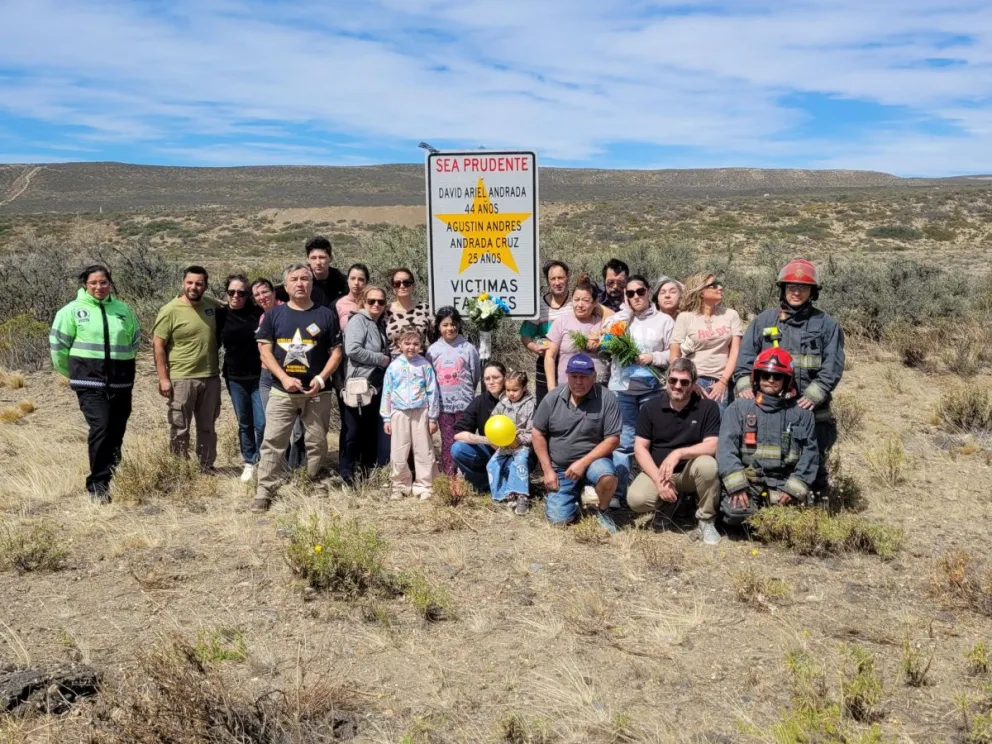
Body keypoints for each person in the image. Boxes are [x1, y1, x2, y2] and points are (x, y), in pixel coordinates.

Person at [733, 259, 845, 495]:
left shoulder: (826, 325)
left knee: (813, 460)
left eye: (803, 288)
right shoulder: (764, 321)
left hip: (810, 408)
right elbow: (745, 358)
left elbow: (832, 365)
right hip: (768, 408)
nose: (796, 292)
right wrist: (745, 387)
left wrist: (815, 395)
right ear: (782, 289)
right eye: (791, 287)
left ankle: (814, 510)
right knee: (765, 458)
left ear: (812, 292)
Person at [252, 263, 343, 511]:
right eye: (294, 279)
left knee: (317, 441)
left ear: (312, 283)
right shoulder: (274, 315)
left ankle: (310, 480)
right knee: (273, 440)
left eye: (305, 278)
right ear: (286, 285)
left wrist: (322, 378)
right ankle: (265, 489)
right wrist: (283, 378)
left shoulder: (326, 315)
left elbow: (336, 352)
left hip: (317, 392)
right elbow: (265, 351)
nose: (300, 283)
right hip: (282, 392)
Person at [50, 264, 140, 502]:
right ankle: (97, 485)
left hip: (121, 383)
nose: (99, 287)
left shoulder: (123, 310)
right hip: (89, 382)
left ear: (110, 283)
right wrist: (73, 372)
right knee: (101, 426)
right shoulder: (71, 311)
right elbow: (58, 347)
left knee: (116, 431)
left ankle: (111, 474)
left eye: (103, 282)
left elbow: (134, 340)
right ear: (85, 285)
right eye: (93, 283)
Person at [719, 348, 819, 527]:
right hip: (749, 482)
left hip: (784, 484)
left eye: (777, 376)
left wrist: (793, 490)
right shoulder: (739, 409)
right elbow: (726, 450)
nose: (770, 380)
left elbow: (809, 456)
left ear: (786, 381)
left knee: (798, 523)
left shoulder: (802, 415)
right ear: (756, 378)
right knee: (737, 514)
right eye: (765, 375)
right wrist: (737, 486)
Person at [627, 358, 723, 545]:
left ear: (693, 384)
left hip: (690, 473)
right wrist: (658, 480)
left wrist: (678, 453)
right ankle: (671, 503)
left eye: (684, 382)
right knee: (636, 500)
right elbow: (640, 448)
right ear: (666, 381)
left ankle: (706, 520)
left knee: (708, 465)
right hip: (660, 472)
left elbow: (713, 445)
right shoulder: (650, 407)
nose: (677, 386)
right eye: (673, 380)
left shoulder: (707, 407)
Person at [532, 354, 622, 532]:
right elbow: (537, 434)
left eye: (584, 377)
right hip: (561, 468)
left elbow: (613, 440)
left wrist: (582, 463)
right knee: (558, 521)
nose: (579, 382)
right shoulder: (552, 398)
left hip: (593, 463)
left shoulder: (607, 398)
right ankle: (574, 497)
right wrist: (547, 470)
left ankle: (602, 510)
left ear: (594, 377)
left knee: (608, 477)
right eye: (574, 376)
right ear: (567, 376)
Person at [606, 275, 675, 505]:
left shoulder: (664, 321)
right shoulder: (620, 319)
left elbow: (673, 354)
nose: (635, 297)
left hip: (652, 389)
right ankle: (618, 493)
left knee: (651, 441)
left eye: (640, 291)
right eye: (630, 293)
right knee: (624, 443)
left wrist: (653, 357)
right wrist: (625, 314)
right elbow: (608, 340)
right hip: (622, 390)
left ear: (648, 292)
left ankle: (656, 490)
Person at [153, 265, 223, 471]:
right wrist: (163, 378)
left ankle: (206, 466)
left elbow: (235, 306)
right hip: (182, 378)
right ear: (183, 283)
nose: (194, 287)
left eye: (198, 283)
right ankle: (179, 470)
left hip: (210, 377)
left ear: (206, 286)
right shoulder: (170, 310)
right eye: (190, 283)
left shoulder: (212, 306)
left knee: (207, 427)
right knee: (180, 426)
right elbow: (158, 345)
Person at [339, 285, 391, 485]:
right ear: (363, 302)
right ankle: (347, 473)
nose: (376, 304)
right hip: (359, 384)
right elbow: (352, 349)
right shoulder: (359, 320)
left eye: (380, 301)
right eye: (372, 301)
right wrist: (381, 359)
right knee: (353, 431)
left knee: (368, 430)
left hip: (373, 386)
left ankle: (365, 472)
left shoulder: (378, 324)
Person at [670, 272, 743, 413]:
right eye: (713, 285)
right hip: (694, 380)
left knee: (717, 424)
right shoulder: (685, 318)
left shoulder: (731, 315)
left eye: (719, 284)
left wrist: (723, 381)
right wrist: (691, 383)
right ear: (701, 291)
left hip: (721, 380)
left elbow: (735, 352)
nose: (720, 287)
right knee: (692, 425)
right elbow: (674, 355)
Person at [380, 328, 440, 499]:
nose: (411, 347)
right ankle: (400, 485)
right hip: (399, 412)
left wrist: (433, 417)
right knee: (399, 450)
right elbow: (387, 392)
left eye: (415, 344)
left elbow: (432, 391)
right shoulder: (394, 366)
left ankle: (425, 486)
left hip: (421, 412)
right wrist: (386, 417)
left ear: (421, 345)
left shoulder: (424, 365)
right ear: (400, 344)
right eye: (407, 343)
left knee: (423, 449)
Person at [426, 307, 481, 478]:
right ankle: (449, 476)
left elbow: (475, 375)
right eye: (445, 325)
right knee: (448, 441)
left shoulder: (468, 348)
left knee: (465, 440)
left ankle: (465, 475)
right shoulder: (433, 350)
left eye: (453, 324)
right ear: (439, 327)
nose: (450, 328)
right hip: (443, 407)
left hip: (464, 405)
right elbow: (430, 380)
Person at [219, 274, 264, 482]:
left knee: (262, 423)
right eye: (231, 292)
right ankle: (249, 461)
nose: (236, 296)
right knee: (244, 422)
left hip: (259, 376)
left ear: (248, 295)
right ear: (226, 292)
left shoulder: (258, 313)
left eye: (241, 292)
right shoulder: (220, 315)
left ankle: (263, 459)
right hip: (234, 377)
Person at [544, 273, 613, 389]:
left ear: (595, 302)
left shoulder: (604, 323)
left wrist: (601, 343)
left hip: (599, 388)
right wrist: (551, 389)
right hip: (566, 387)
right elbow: (549, 356)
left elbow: (613, 347)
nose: (580, 305)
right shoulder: (561, 322)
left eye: (586, 300)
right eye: (576, 300)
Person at [519, 260, 571, 405]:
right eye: (553, 279)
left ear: (568, 277)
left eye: (560, 278)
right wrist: (537, 347)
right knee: (546, 406)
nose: (557, 282)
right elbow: (526, 336)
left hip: (571, 365)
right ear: (548, 281)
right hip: (545, 366)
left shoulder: (576, 302)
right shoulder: (540, 305)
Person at [450, 362, 506, 493]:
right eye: (487, 379)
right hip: (491, 448)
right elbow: (458, 433)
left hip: (515, 449)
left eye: (496, 377)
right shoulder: (480, 401)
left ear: (505, 377)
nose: (491, 382)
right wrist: (488, 441)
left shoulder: (517, 398)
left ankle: (509, 484)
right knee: (458, 448)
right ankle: (483, 483)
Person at [486, 370, 537, 514]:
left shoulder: (530, 405)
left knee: (519, 465)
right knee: (492, 465)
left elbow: (532, 431)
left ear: (524, 388)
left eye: (515, 390)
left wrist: (519, 440)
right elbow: (493, 420)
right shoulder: (502, 404)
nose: (511, 393)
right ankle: (504, 494)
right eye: (508, 390)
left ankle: (522, 497)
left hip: (520, 445)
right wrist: (495, 438)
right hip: (503, 445)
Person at [276, 236, 347, 308]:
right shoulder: (299, 281)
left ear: (330, 258)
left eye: (322, 257)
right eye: (313, 258)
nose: (318, 262)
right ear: (308, 260)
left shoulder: (342, 282)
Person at [384, 267, 433, 356]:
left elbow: (435, 338)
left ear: (413, 286)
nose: (402, 286)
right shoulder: (385, 311)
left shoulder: (425, 308)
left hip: (420, 361)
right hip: (394, 363)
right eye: (397, 284)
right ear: (393, 288)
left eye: (406, 283)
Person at [335, 264, 370, 331]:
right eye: (352, 278)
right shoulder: (339, 304)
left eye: (361, 279)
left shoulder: (372, 302)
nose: (356, 283)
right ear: (347, 280)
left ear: (366, 282)